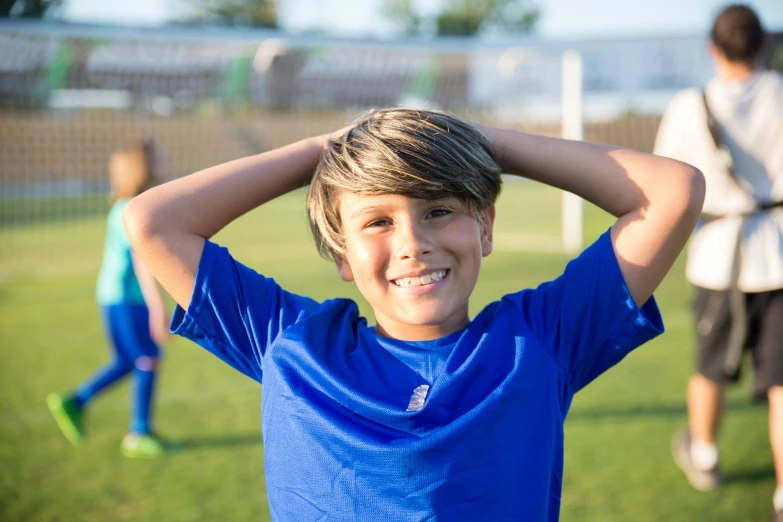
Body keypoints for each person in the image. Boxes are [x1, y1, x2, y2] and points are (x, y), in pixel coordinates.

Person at [124, 108, 703, 520]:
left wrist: (478, 143)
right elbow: (151, 221)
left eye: (438, 210)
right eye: (377, 221)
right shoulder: (291, 345)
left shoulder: (540, 339)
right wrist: (320, 152)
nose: (411, 243)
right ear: (340, 252)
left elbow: (674, 190)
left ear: (485, 226)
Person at [653, 3, 783, 517]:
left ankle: (704, 454)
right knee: (782, 379)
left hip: (717, 252)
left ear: (713, 48)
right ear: (765, 44)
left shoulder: (690, 105)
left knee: (709, 366)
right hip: (780, 253)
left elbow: (667, 181)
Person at [47, 140, 174, 459]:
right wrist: (158, 309)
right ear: (142, 167)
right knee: (148, 358)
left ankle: (75, 401)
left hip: (111, 296)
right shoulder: (134, 209)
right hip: (127, 299)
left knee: (125, 361)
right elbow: (143, 263)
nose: (165, 160)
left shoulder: (124, 206)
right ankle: (139, 434)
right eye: (158, 157)